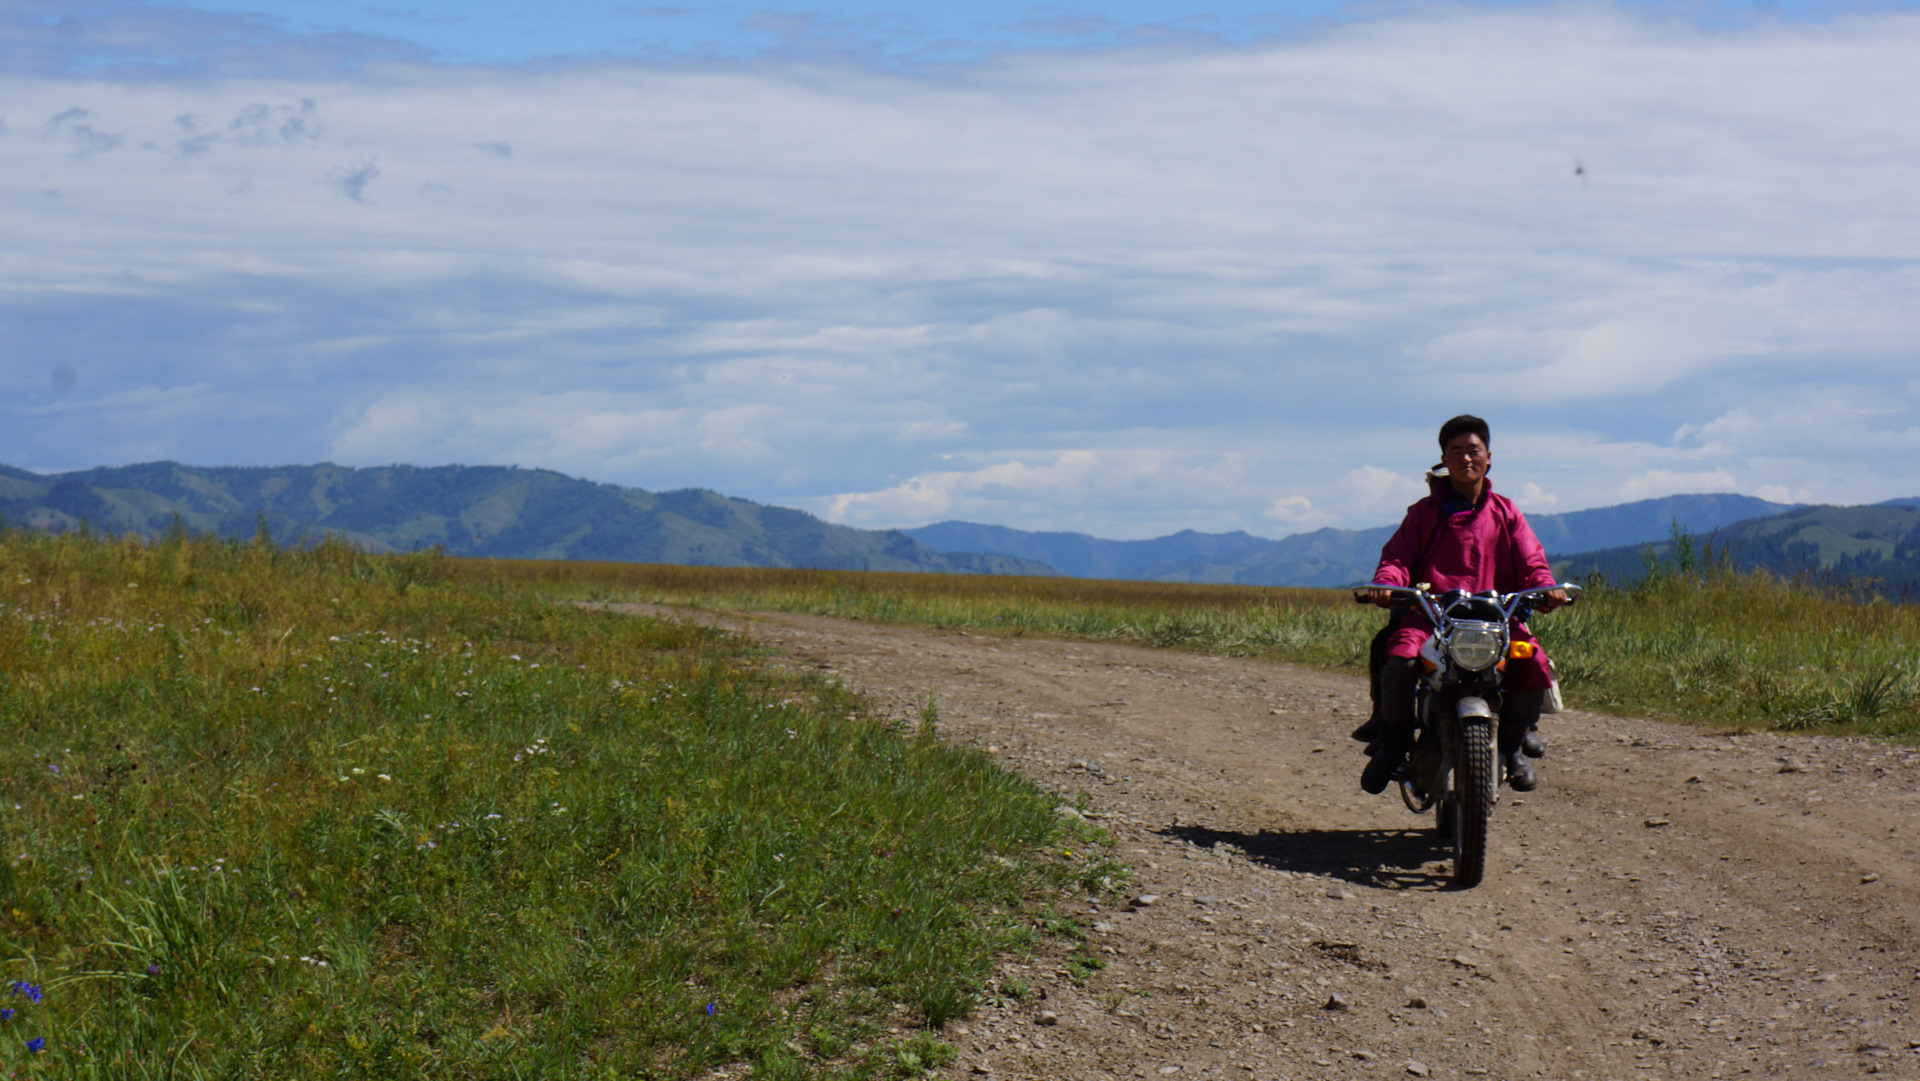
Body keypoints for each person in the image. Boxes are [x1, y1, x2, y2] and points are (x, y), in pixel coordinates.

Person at [1351, 415, 1566, 795]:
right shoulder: (1422, 513)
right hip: (1428, 617)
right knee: (1399, 661)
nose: (1466, 459)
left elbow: (1533, 561)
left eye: (1473, 451)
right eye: (1456, 452)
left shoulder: (1506, 511)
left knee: (1532, 662)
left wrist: (1545, 588)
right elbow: (1397, 558)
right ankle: (1394, 743)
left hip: (1495, 620)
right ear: (1443, 459)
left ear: (1488, 457)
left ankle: (1511, 746)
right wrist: (1386, 584)